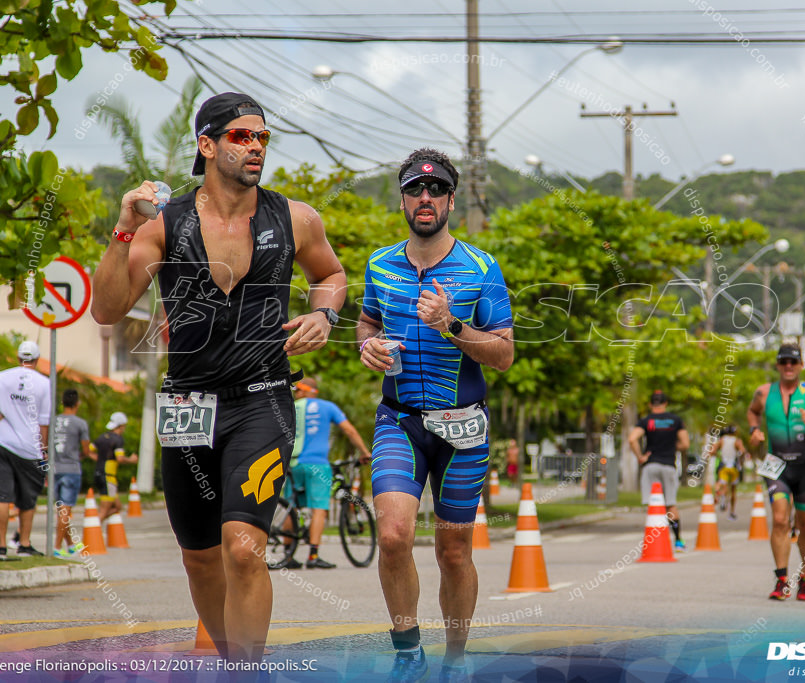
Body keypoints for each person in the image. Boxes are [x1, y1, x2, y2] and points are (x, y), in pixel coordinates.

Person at [90, 91, 347, 662]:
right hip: (187, 406)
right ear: (207, 145)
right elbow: (107, 310)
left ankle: (247, 674)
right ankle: (234, 662)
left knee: (244, 547)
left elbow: (331, 274)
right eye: (241, 137)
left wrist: (324, 314)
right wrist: (124, 228)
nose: (255, 147)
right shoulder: (166, 223)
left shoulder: (296, 217)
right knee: (201, 555)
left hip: (262, 401)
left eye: (262, 138)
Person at [356, 148, 513, 683]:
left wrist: (451, 325)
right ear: (402, 199)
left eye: (436, 190)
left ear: (450, 199)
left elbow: (504, 354)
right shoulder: (379, 263)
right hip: (399, 420)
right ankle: (407, 656)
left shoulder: (481, 268)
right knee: (395, 537)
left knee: (452, 550)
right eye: (414, 190)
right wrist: (368, 346)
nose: (425, 199)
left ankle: (456, 658)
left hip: (463, 428)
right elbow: (366, 323)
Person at [747, 342, 805, 602]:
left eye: (793, 362)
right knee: (781, 520)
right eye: (783, 361)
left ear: (801, 366)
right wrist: (754, 430)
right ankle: (781, 579)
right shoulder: (764, 393)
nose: (788, 366)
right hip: (776, 465)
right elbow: (752, 413)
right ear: (777, 364)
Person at [271, 378, 372, 570]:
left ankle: (287, 555)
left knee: (291, 509)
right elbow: (348, 430)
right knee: (319, 508)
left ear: (303, 391)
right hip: (317, 464)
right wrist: (365, 453)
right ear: (315, 391)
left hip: (292, 463)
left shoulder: (291, 406)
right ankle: (313, 555)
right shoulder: (327, 406)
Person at [0, 340, 51, 558]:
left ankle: (1, 547)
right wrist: (44, 451)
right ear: (37, 360)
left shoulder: (3, 376)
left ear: (19, 358)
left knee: (2, 496)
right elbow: (44, 422)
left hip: (1, 442)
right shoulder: (44, 383)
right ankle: (24, 544)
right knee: (28, 498)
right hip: (30, 448)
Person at [629, 390, 690, 551]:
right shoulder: (675, 420)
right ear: (665, 404)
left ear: (650, 404)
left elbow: (632, 439)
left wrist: (640, 456)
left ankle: (653, 543)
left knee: (653, 505)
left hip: (651, 465)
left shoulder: (646, 421)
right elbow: (685, 444)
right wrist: (672, 447)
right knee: (671, 505)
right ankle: (678, 541)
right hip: (669, 465)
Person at [53, 389, 91, 557]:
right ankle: (56, 546)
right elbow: (86, 449)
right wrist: (81, 455)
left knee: (62, 509)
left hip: (54, 469)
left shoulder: (53, 421)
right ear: (77, 404)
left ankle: (70, 544)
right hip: (71, 469)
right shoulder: (80, 423)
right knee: (65, 510)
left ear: (62, 403)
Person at [93, 412, 138, 524]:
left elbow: (88, 450)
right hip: (108, 477)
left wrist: (98, 459)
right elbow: (120, 458)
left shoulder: (102, 437)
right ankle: (92, 527)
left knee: (117, 506)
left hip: (99, 474)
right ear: (121, 426)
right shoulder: (118, 440)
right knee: (104, 510)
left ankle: (95, 523)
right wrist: (131, 460)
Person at [706, 425, 748, 520]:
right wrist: (740, 460)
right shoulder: (737, 441)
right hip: (733, 467)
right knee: (733, 490)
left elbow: (711, 451)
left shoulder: (721, 440)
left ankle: (722, 498)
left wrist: (718, 455)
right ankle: (732, 512)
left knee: (722, 484)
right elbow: (742, 451)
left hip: (724, 466)